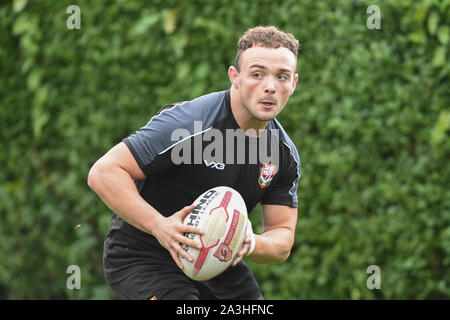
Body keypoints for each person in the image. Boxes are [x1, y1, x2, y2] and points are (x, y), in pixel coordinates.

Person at [88, 25, 301, 300]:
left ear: (293, 84)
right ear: (234, 77)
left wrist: (250, 243)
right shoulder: (190, 123)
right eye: (257, 74)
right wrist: (159, 225)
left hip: (217, 263)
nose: (270, 86)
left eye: (281, 77)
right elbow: (104, 172)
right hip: (144, 257)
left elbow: (282, 236)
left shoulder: (283, 155)